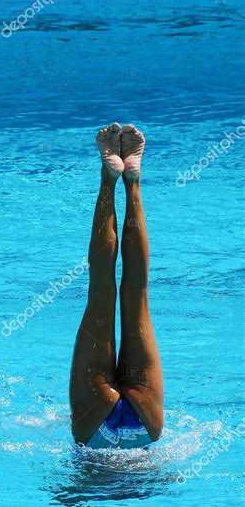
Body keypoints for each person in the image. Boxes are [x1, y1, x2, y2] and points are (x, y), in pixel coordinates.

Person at [69, 123, 163, 449]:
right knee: (103, 290)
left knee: (134, 292)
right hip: (96, 423)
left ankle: (129, 181)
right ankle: (112, 178)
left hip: (143, 422)